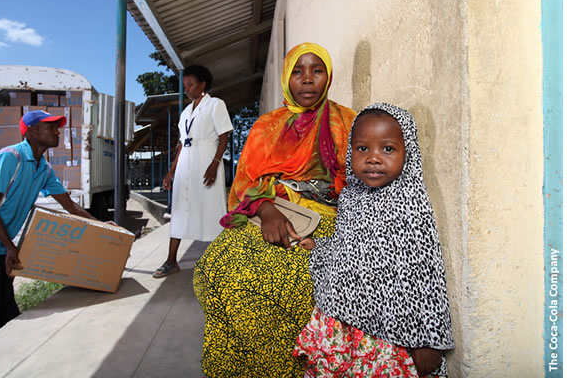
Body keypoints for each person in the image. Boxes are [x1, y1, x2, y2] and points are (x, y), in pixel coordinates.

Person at [193, 43, 356, 377]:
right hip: (268, 212)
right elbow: (242, 187)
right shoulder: (266, 126)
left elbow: (359, 184)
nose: (307, 80)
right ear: (285, 78)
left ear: (328, 76)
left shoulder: (346, 121)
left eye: (317, 70)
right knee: (216, 267)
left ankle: (282, 368)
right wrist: (266, 208)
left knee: (286, 279)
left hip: (325, 220)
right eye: (297, 71)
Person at [293, 103, 455, 377]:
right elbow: (350, 248)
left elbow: (425, 277)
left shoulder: (409, 205)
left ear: (409, 152)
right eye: (362, 148)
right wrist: (321, 246)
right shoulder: (351, 197)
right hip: (344, 325)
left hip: (388, 338)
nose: (373, 158)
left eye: (388, 149)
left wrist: (428, 341)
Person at [0, 110, 98, 353]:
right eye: (49, 127)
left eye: (57, 127)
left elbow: (69, 205)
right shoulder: (11, 158)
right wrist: (10, 246)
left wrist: (101, 225)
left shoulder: (43, 168)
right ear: (30, 131)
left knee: (4, 316)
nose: (56, 131)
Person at [154, 64, 233, 278]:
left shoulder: (215, 104)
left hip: (206, 162)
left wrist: (215, 164)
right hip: (185, 165)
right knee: (179, 210)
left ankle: (222, 262)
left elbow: (224, 136)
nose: (186, 89)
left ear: (202, 84)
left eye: (190, 85)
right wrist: (171, 172)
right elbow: (182, 144)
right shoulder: (186, 112)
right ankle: (171, 261)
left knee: (211, 210)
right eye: (185, 86)